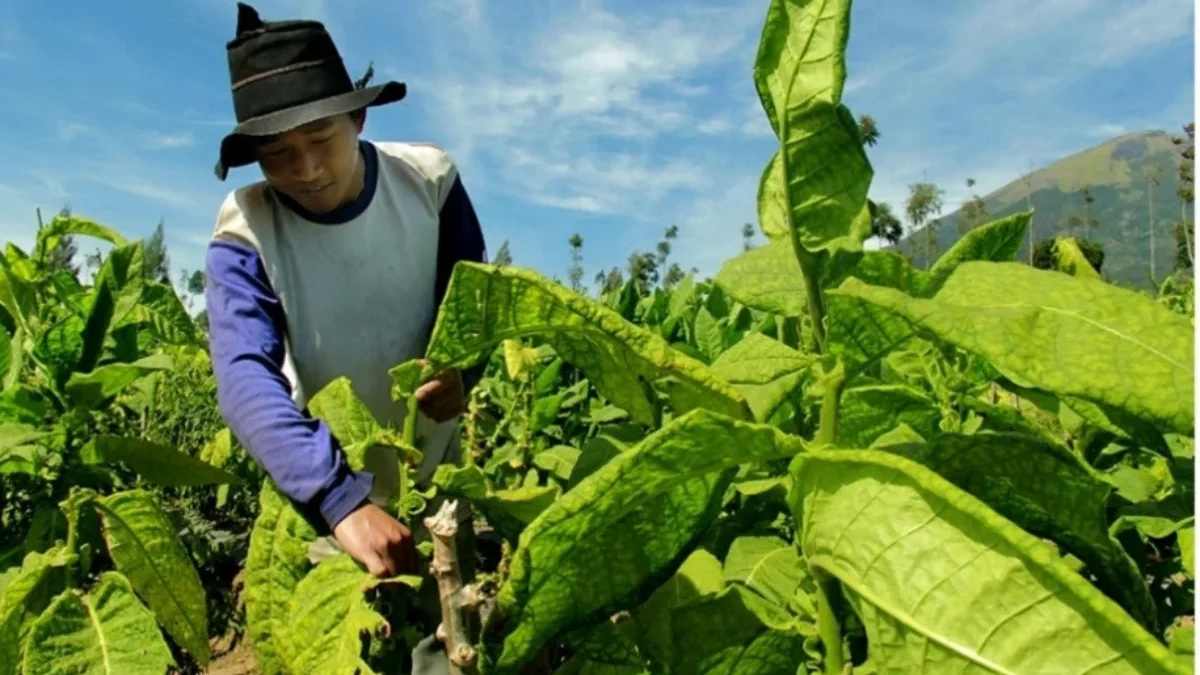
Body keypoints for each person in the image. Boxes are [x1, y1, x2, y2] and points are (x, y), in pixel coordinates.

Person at [204, 0, 486, 641]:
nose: (304, 169)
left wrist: (465, 368)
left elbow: (473, 305)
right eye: (276, 154)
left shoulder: (427, 180)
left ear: (356, 117)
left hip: (438, 469)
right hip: (323, 478)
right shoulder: (245, 230)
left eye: (321, 141)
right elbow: (244, 376)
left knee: (451, 638)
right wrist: (340, 501)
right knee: (349, 642)